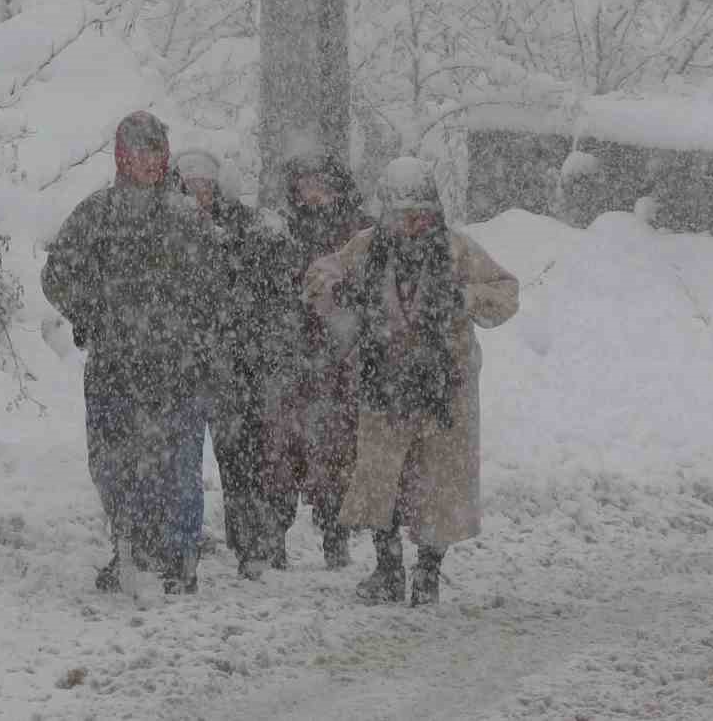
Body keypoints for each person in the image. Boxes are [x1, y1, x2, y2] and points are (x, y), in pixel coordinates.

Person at [304, 156, 518, 606]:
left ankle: (428, 573)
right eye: (402, 215)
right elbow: (319, 276)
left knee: (438, 487)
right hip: (384, 385)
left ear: (435, 210)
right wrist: (340, 291)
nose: (411, 223)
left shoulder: (457, 250)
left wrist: (462, 297)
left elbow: (505, 293)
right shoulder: (366, 248)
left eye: (420, 213)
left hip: (446, 391)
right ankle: (387, 571)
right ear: (386, 212)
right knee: (380, 483)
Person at [41, 112, 224, 595]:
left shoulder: (187, 220)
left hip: (177, 368)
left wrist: (189, 335)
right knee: (113, 464)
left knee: (176, 467)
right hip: (115, 367)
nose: (149, 160)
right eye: (139, 150)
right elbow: (57, 273)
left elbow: (216, 290)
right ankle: (128, 548)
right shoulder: (96, 214)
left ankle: (180, 557)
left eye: (157, 150)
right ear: (122, 156)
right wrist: (93, 312)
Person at [171, 148, 288, 580]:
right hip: (183, 362)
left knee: (240, 458)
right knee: (178, 460)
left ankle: (251, 544)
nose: (198, 193)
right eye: (190, 185)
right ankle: (177, 543)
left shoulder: (243, 229)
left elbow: (267, 285)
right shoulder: (170, 226)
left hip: (233, 364)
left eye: (205, 184)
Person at [261, 154, 371, 570]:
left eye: (322, 184)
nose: (314, 193)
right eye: (306, 184)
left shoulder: (360, 231)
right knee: (282, 450)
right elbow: (269, 285)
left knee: (339, 451)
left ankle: (335, 534)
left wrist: (345, 310)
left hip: (343, 357)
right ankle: (275, 534)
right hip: (292, 354)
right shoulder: (282, 232)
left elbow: (370, 286)